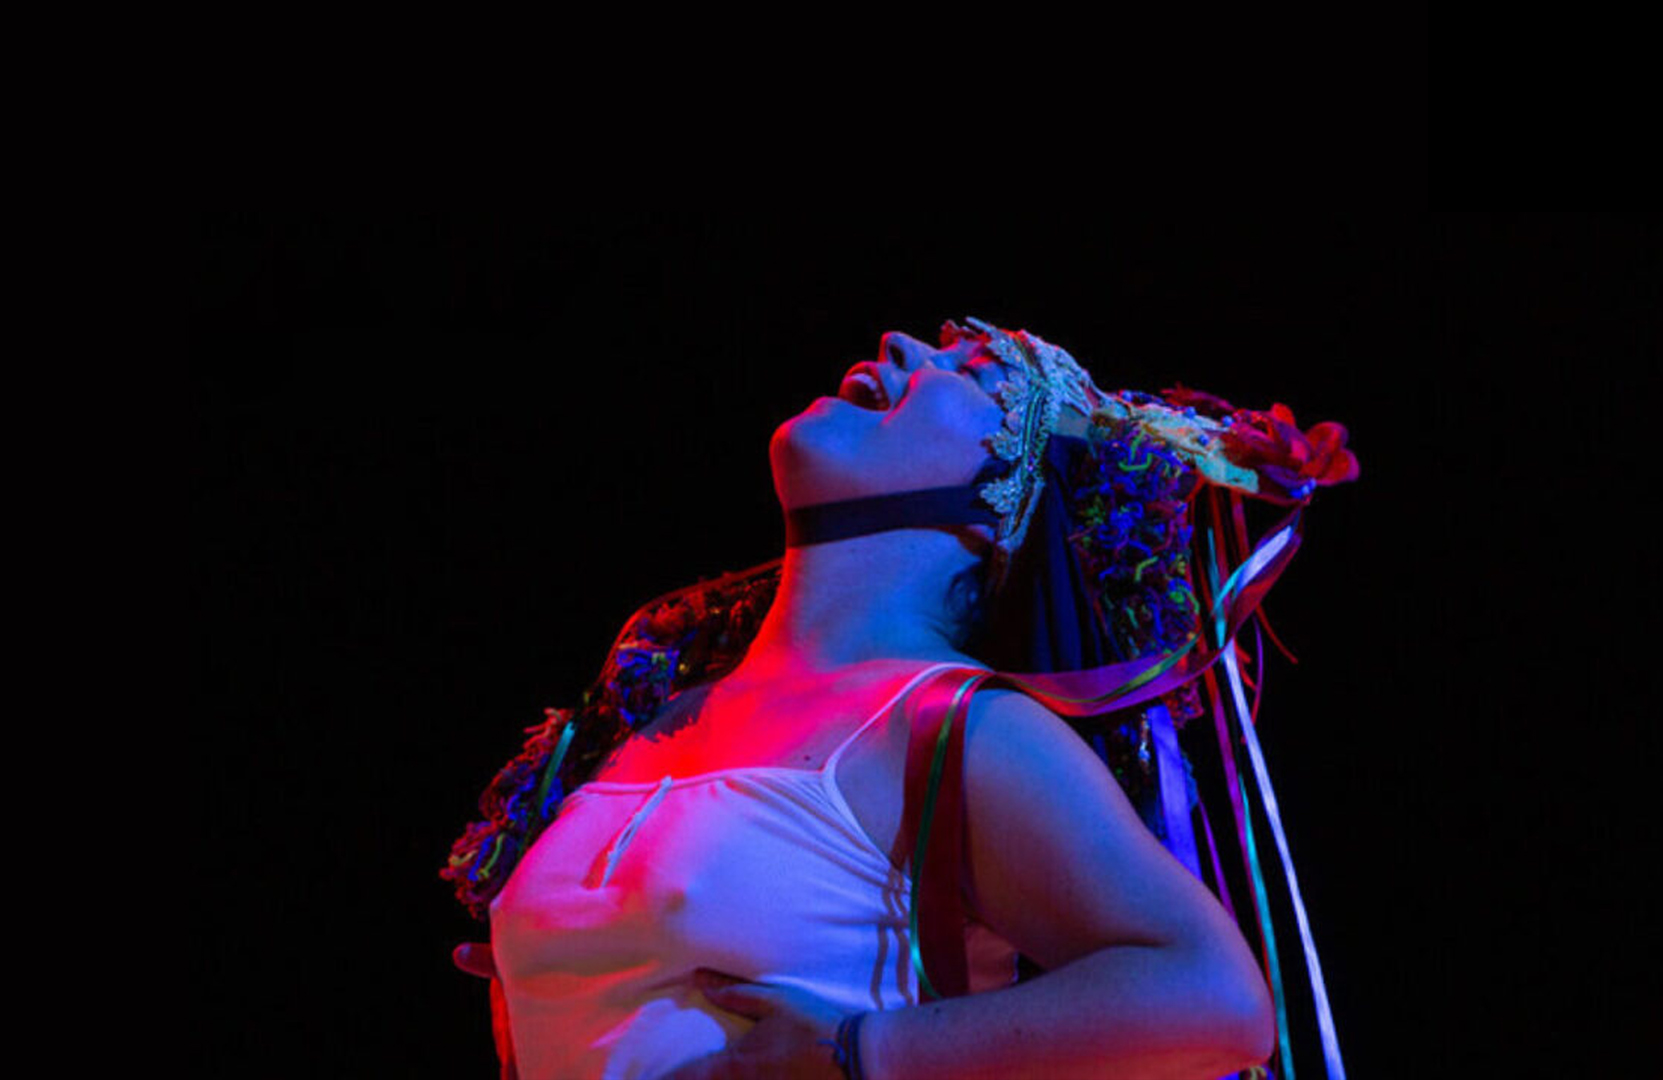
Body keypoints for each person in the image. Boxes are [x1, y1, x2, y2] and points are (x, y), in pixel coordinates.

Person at [443, 317, 1359, 1080]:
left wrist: (861, 1050)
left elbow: (1219, 1000)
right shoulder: (660, 715)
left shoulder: (955, 727)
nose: (900, 347)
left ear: (1003, 491)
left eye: (969, 371)